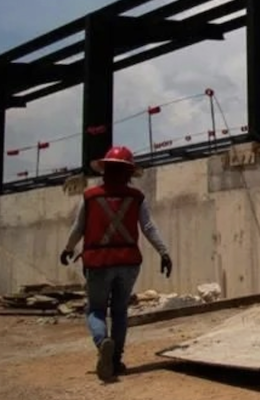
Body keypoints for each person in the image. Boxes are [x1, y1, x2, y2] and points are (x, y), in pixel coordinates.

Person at [60, 145, 173, 381]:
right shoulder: (137, 197)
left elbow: (78, 228)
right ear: (129, 173)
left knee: (96, 310)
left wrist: (68, 249)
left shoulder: (90, 196)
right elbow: (148, 227)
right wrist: (164, 253)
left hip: (98, 263)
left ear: (105, 170)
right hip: (129, 263)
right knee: (120, 311)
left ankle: (103, 342)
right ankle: (116, 359)